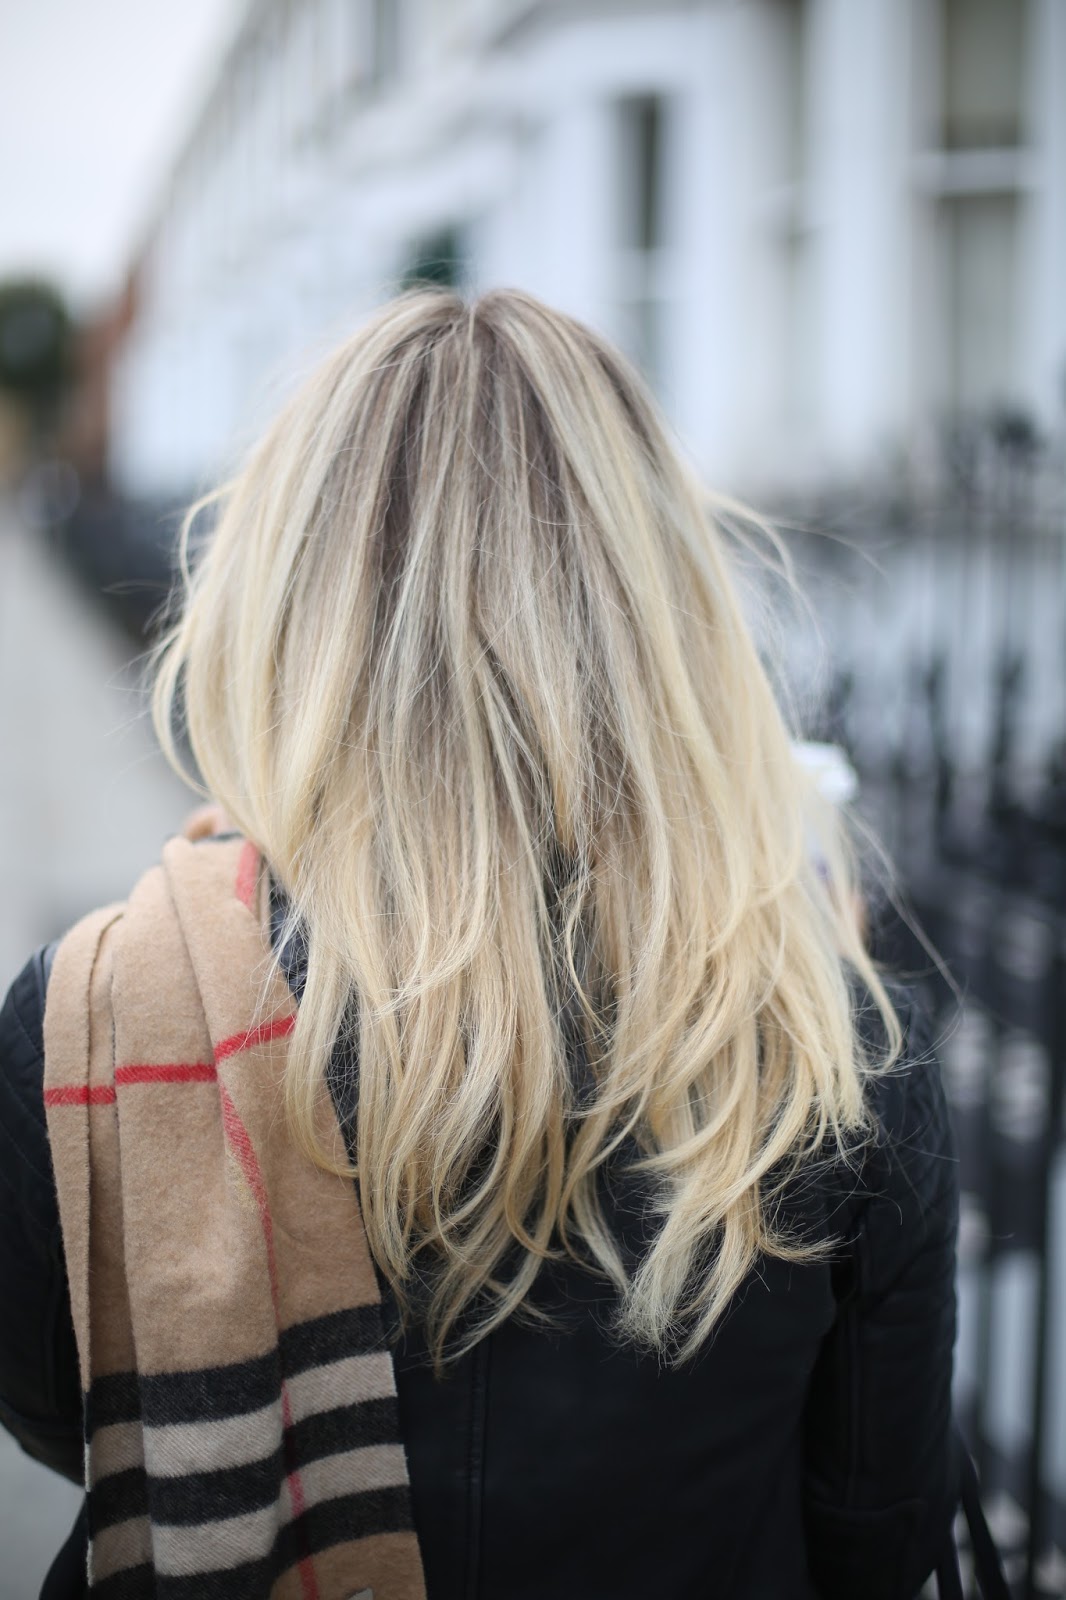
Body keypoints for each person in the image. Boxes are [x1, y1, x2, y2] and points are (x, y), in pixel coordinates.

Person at [0, 288, 959, 1599]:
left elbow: (90, 1418)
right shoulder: (835, 1046)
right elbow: (881, 1539)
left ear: (286, 588)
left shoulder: (95, 1017)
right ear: (659, 604)